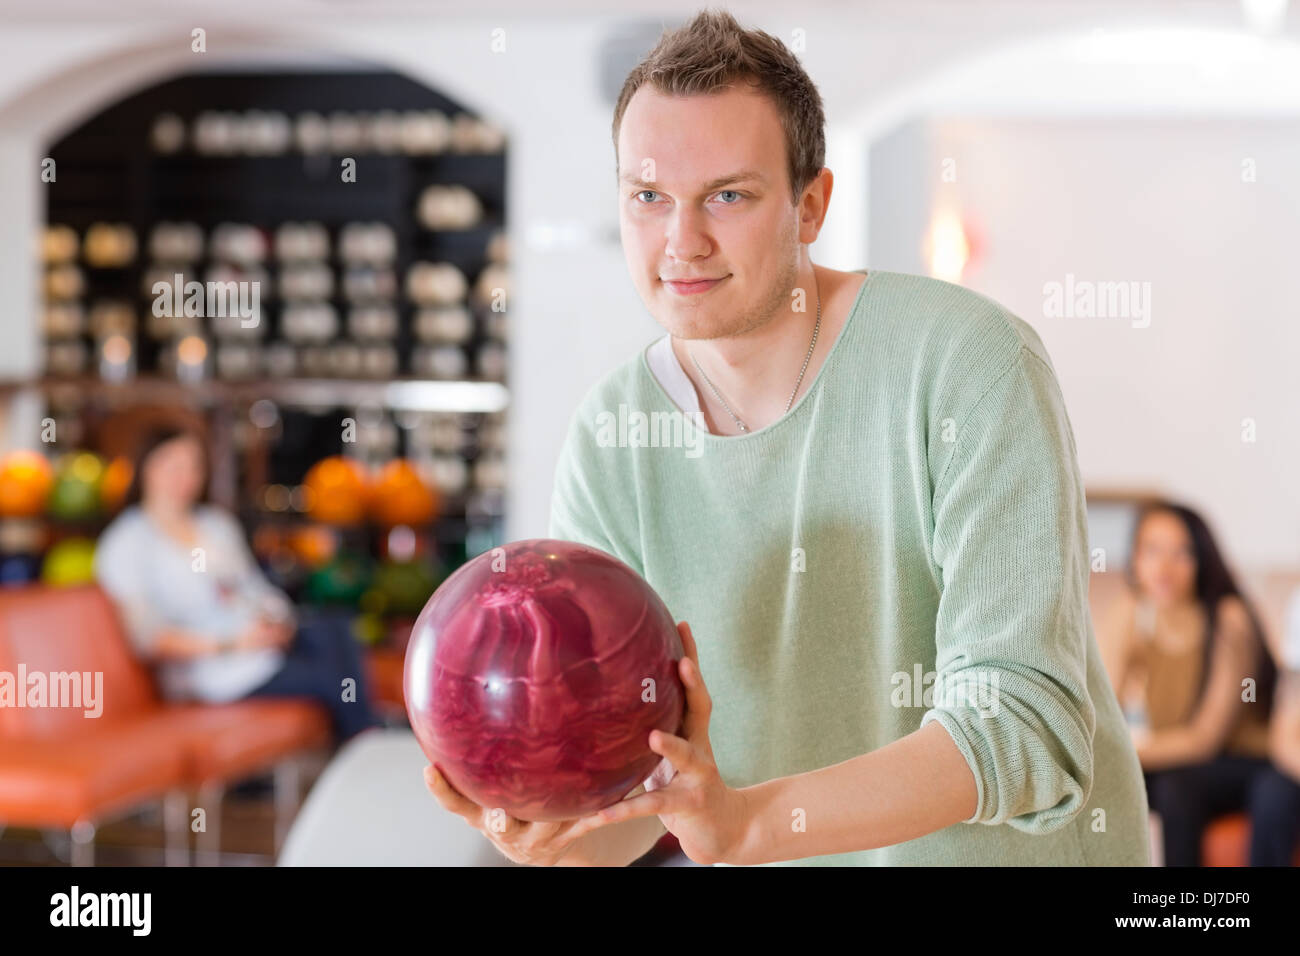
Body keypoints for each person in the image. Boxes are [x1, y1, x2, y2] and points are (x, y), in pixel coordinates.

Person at [423, 9, 1150, 867]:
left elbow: (1025, 722)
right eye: (648, 198)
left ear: (810, 205)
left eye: (728, 196)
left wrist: (751, 826)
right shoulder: (611, 441)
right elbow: (638, 802)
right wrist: (555, 826)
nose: (680, 242)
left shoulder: (967, 362)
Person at [93, 425, 381, 744]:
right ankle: (367, 744)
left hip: (259, 646)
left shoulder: (216, 525)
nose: (184, 477)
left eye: (193, 466)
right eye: (173, 465)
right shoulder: (126, 543)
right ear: (146, 468)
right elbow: (147, 637)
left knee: (335, 627)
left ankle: (364, 740)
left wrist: (275, 622)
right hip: (210, 669)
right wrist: (233, 643)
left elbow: (252, 588)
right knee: (333, 680)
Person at [1096, 501, 1300, 866]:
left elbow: (1205, 739)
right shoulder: (1133, 612)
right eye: (1152, 551)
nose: (1164, 567)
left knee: (1174, 787)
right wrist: (1125, 620)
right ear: (1135, 557)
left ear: (1202, 558)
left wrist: (1124, 755)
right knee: (1103, 783)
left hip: (1244, 759)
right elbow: (1105, 712)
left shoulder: (1228, 618)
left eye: (1182, 553)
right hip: (1177, 759)